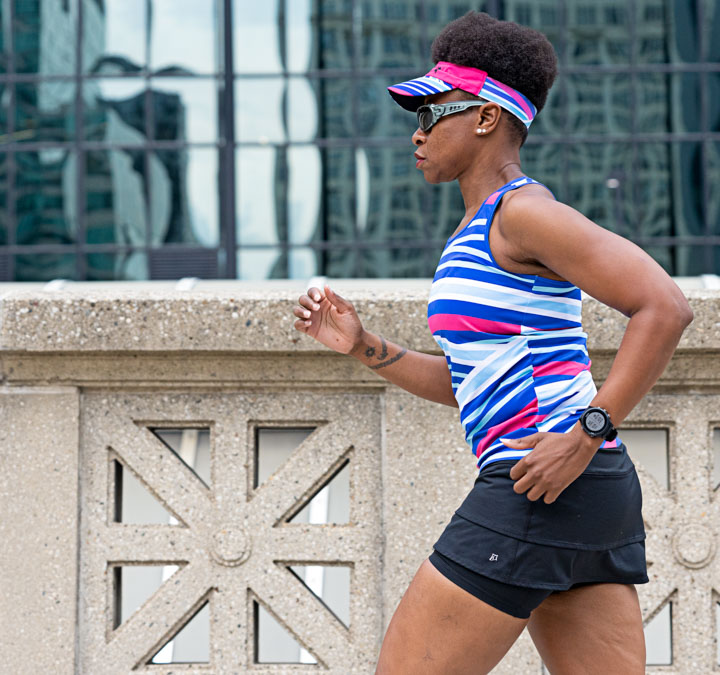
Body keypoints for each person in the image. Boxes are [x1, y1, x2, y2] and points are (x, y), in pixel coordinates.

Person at [291, 12, 693, 674]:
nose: (416, 134)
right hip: (583, 488)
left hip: (539, 481)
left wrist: (586, 430)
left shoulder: (523, 213)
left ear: (484, 117)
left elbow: (665, 306)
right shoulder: (477, 233)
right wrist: (366, 346)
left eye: (431, 114)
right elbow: (473, 382)